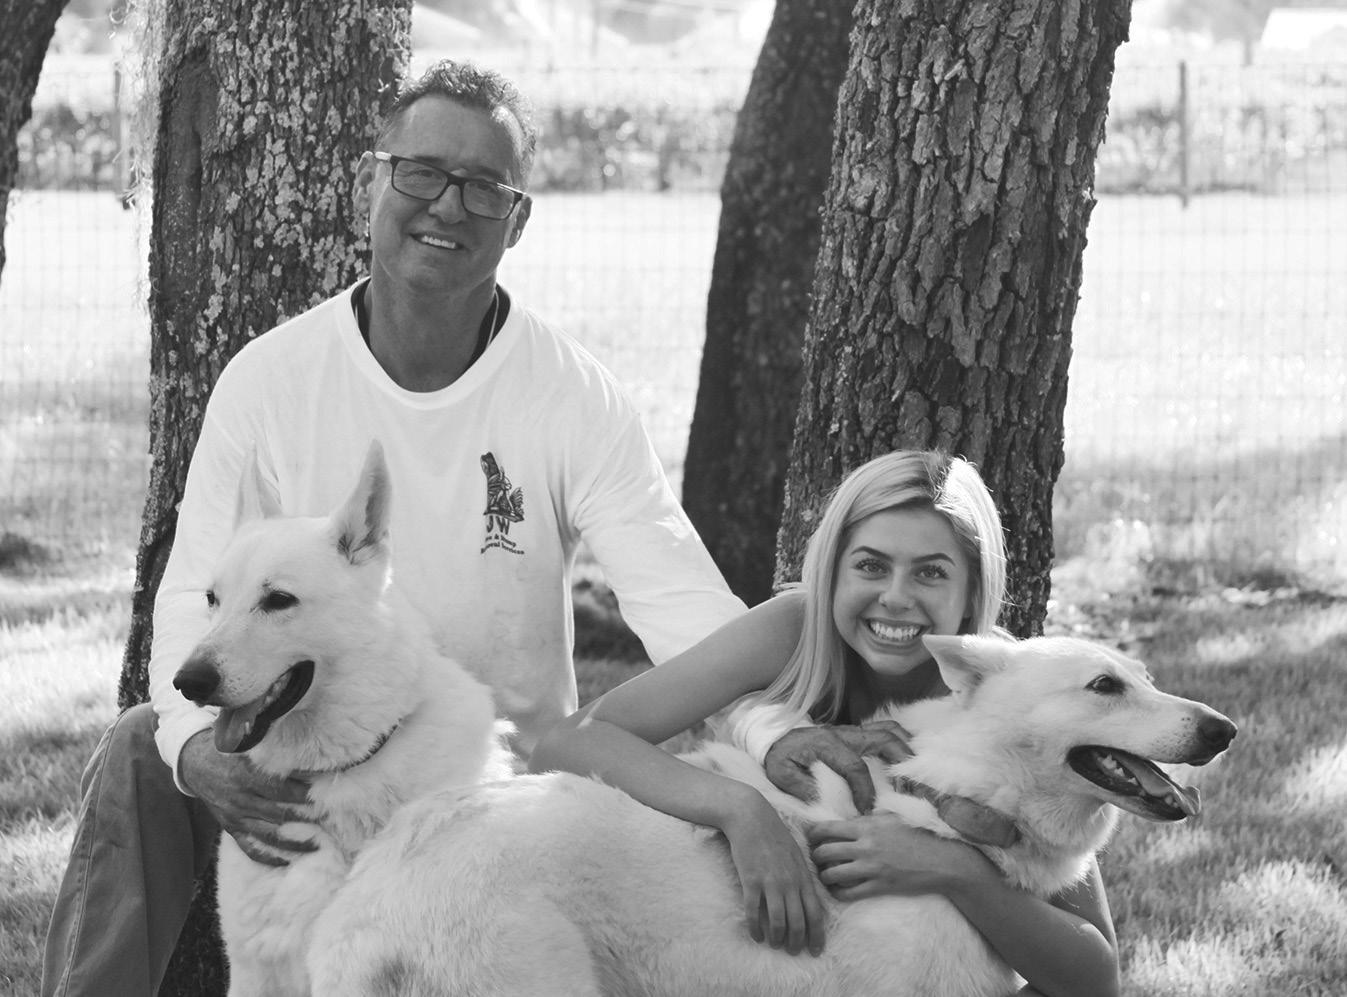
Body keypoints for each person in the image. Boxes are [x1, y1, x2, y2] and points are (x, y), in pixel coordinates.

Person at [41, 59, 750, 997]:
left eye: (483, 186)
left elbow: (677, 593)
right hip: (298, 746)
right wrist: (193, 746)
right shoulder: (270, 377)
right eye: (420, 172)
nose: (446, 205)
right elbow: (192, 591)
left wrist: (776, 731)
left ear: (517, 219)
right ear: (371, 182)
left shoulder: (573, 394)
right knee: (143, 746)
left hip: (487, 775)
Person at [530, 450, 1122, 997]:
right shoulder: (793, 629)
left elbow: (1094, 980)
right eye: (871, 565)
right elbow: (567, 744)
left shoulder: (998, 690)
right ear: (833, 571)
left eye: (931, 573)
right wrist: (742, 812)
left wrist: (956, 869)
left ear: (972, 593)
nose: (896, 597)